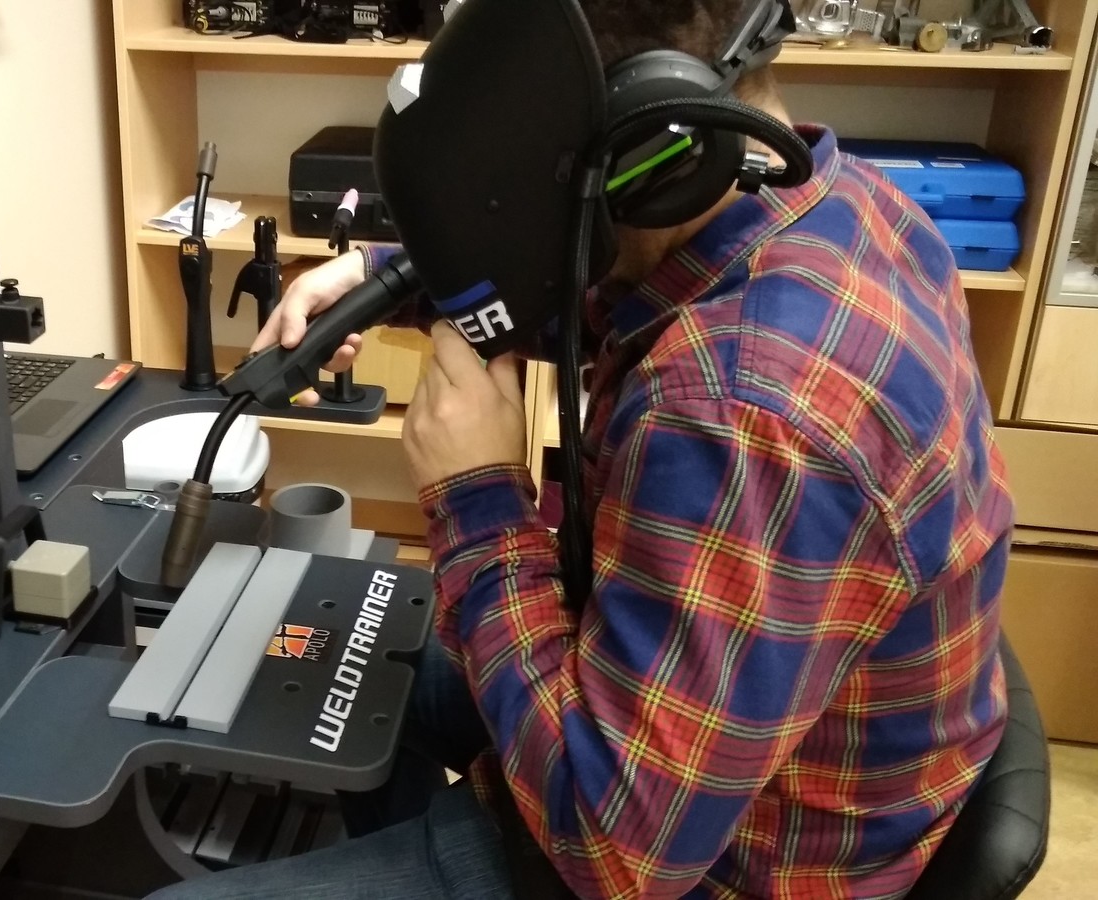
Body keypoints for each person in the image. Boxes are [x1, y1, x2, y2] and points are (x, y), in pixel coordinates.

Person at [147, 1, 1013, 896]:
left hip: (717, 856)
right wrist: (389, 275)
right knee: (331, 649)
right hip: (694, 733)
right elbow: (590, 289)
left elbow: (615, 858)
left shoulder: (742, 407)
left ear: (647, 156)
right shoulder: (837, 204)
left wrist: (478, 498)